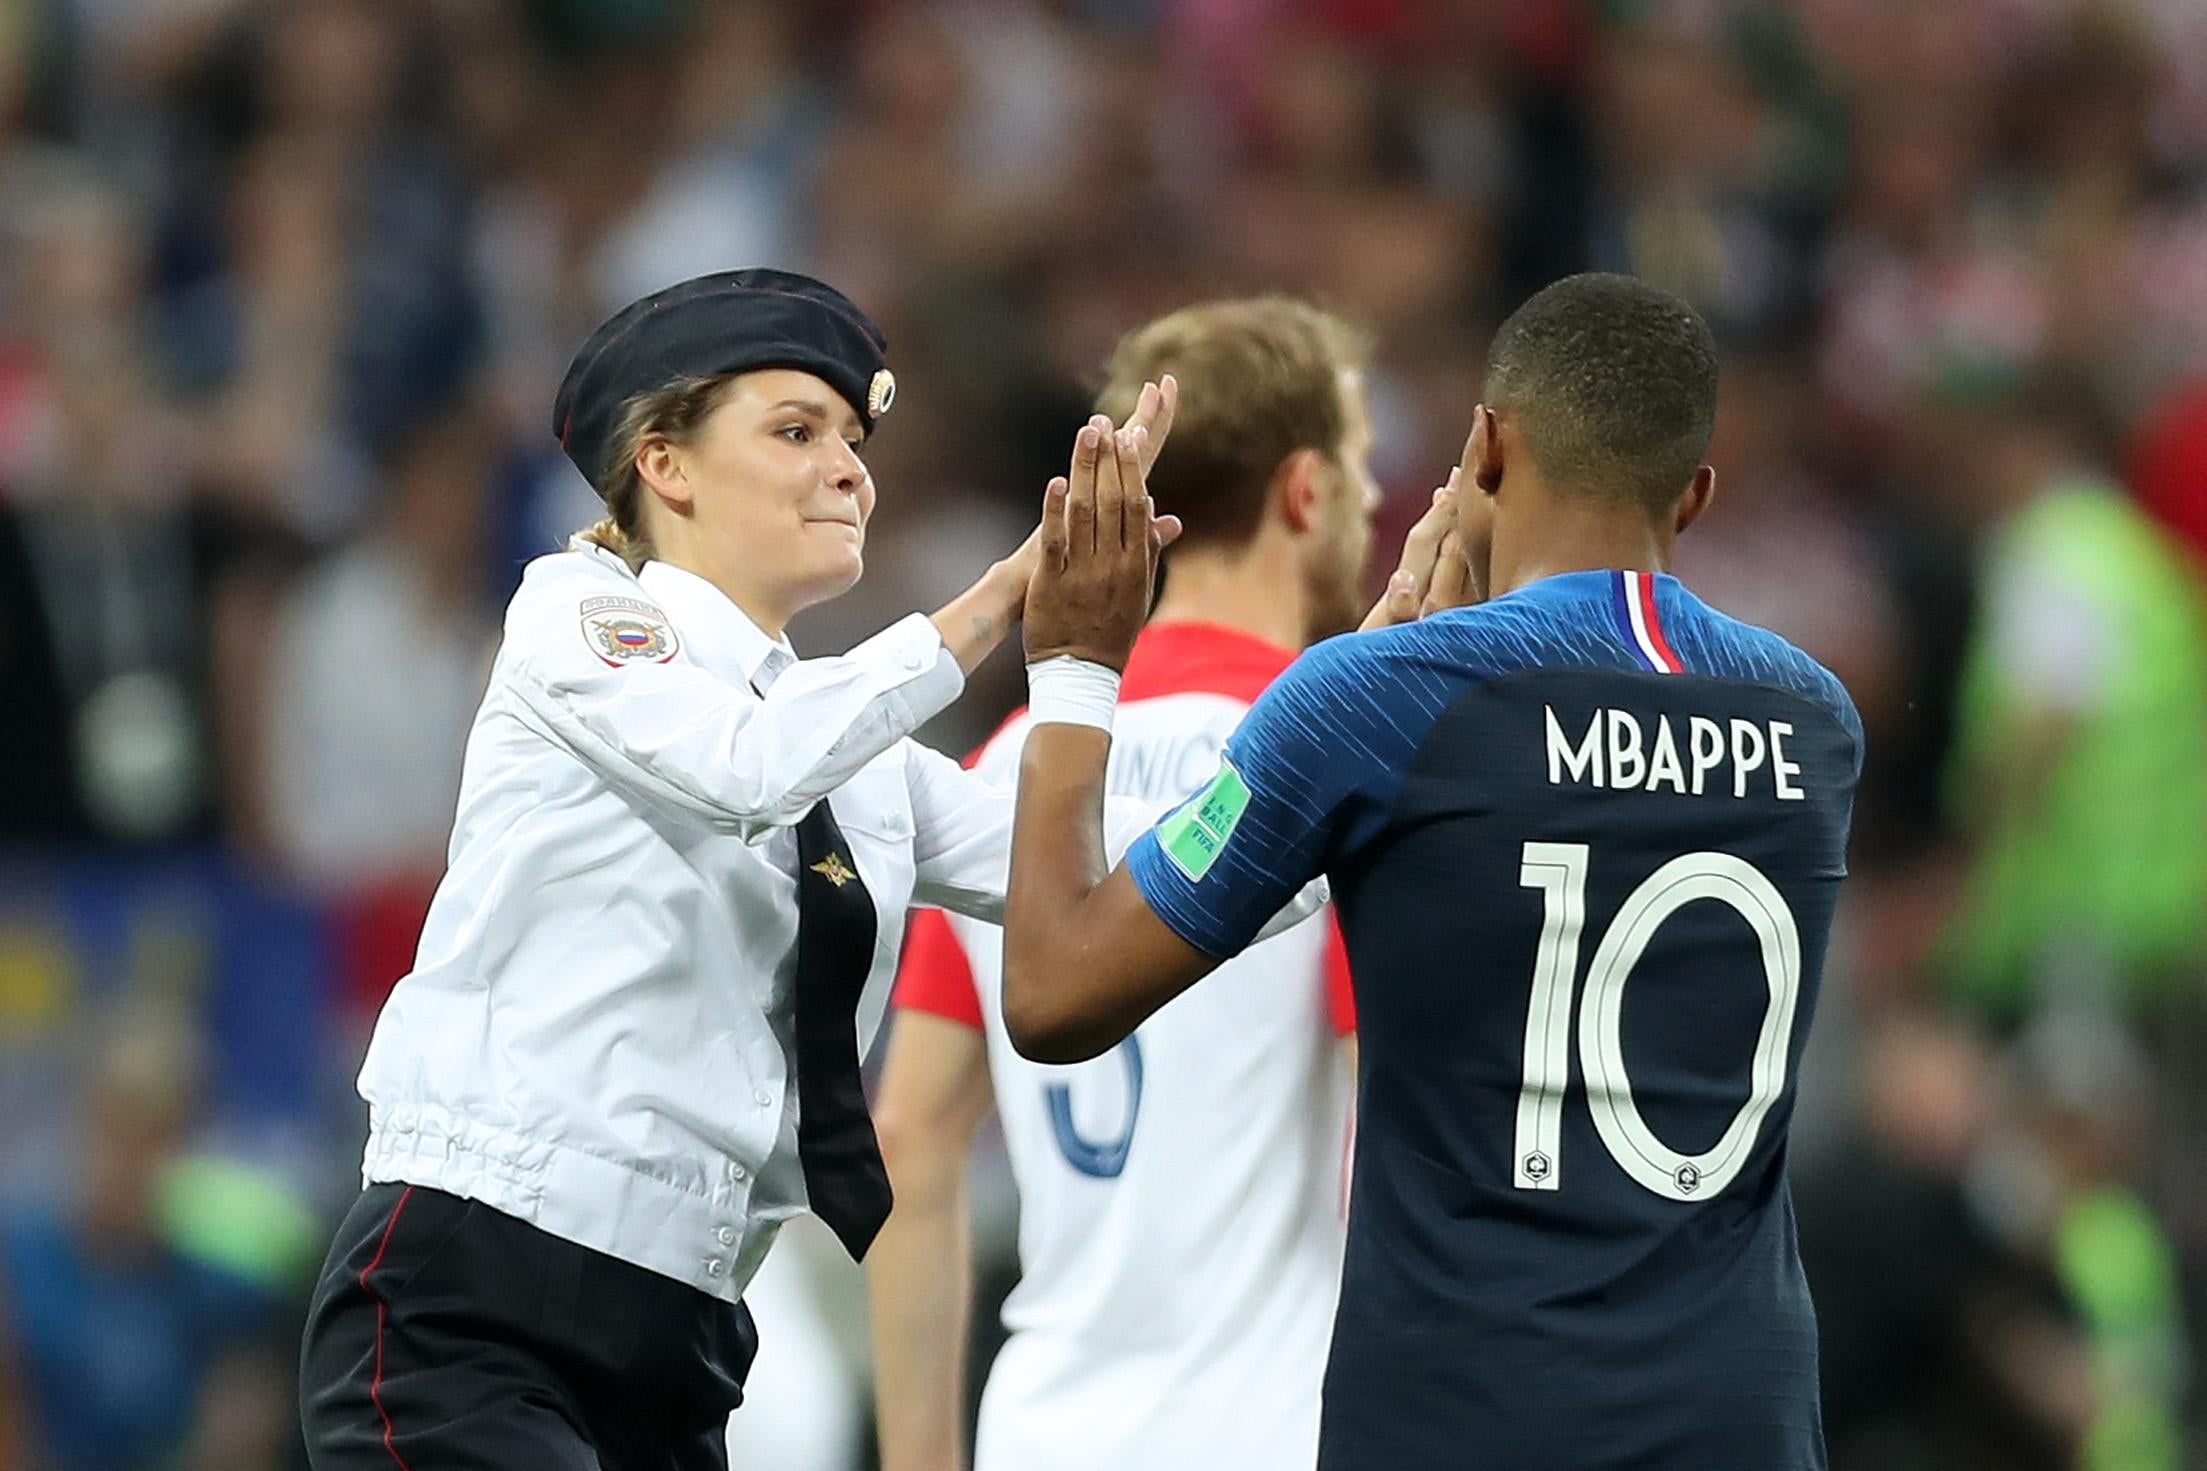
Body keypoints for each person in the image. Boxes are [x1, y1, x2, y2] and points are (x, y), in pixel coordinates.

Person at [294, 268, 1226, 1471]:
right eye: (795, 430)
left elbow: (1111, 868)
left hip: (687, 1340)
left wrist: (1344, 751)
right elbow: (740, 768)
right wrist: (999, 602)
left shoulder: (851, 745)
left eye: (852, 438)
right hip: (476, 1299)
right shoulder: (577, 615)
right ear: (664, 465)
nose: (849, 467)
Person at [1002, 273, 1863, 1470]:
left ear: (1484, 447)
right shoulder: (1811, 722)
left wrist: (1078, 662)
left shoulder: (1376, 701)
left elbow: (1051, 995)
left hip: (1464, 1412)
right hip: (1734, 1414)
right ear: (1696, 494)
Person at [868, 298, 1377, 1471]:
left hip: (1046, 1428)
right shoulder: (1339, 769)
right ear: (1306, 491)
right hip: (1277, 1429)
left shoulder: (1018, 767)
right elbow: (1394, 1129)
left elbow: (912, 1134)